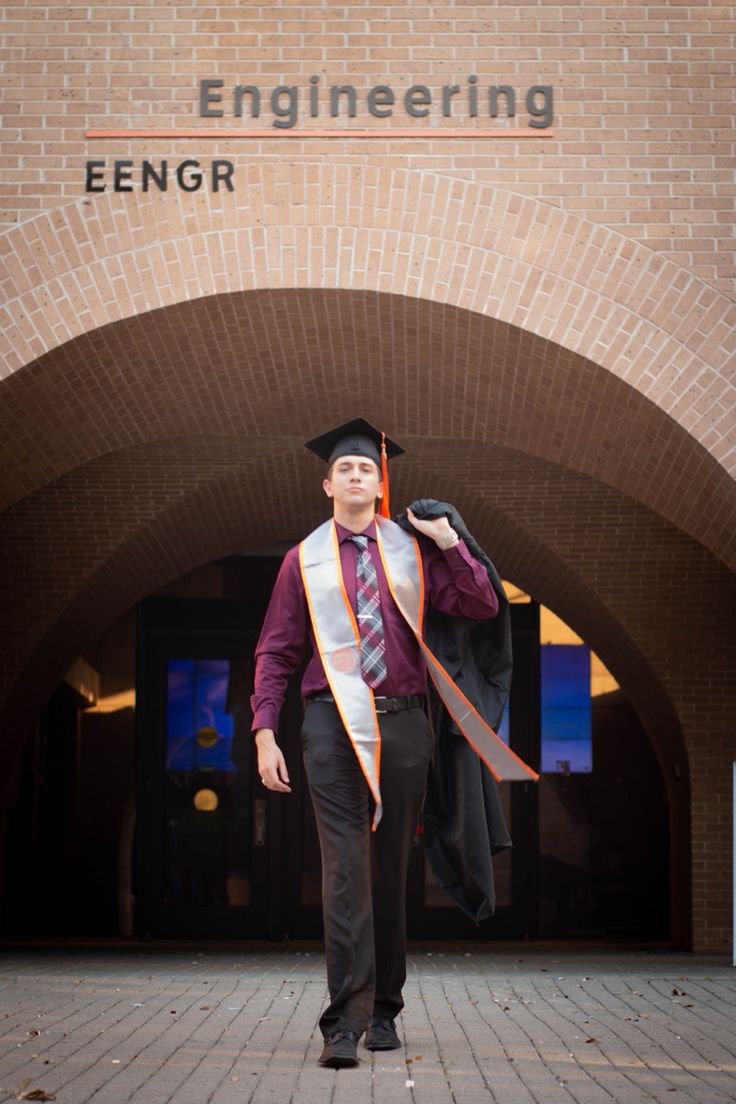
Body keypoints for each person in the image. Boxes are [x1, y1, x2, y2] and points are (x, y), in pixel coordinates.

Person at [250, 417, 503, 1069]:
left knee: (389, 870)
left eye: (368, 468)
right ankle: (345, 1020)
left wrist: (451, 541)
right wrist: (263, 731)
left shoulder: (409, 550)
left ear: (380, 481)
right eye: (347, 469)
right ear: (326, 483)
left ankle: (385, 1006)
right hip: (330, 723)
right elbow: (277, 650)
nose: (357, 475)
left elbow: (480, 606)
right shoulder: (301, 561)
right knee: (344, 871)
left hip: (403, 724)